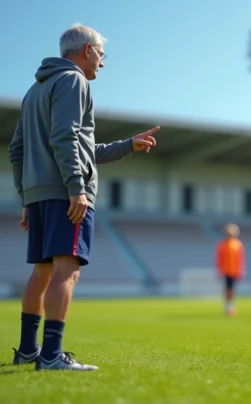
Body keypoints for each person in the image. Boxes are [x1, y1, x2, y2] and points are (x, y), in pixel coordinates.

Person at [8, 24, 159, 371]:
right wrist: (76, 186)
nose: (102, 64)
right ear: (87, 50)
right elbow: (66, 136)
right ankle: (51, 357)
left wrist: (26, 197)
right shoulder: (74, 81)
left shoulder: (34, 90)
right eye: (101, 55)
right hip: (66, 193)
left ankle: (29, 350)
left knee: (42, 271)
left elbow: (18, 149)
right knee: (67, 270)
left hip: (39, 194)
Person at [216, 223, 245, 316]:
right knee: (227, 288)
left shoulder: (238, 244)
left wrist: (240, 270)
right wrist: (219, 270)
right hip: (226, 270)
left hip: (235, 270)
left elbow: (240, 259)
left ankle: (231, 305)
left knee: (232, 289)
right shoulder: (222, 245)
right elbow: (219, 258)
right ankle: (228, 305)